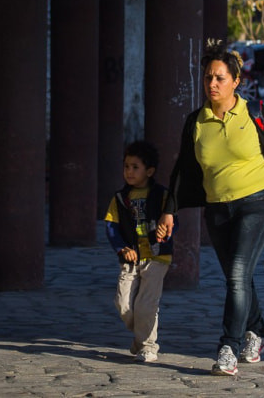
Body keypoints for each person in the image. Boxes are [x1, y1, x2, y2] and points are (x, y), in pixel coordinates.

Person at [156, 39, 264, 376]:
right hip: (218, 209)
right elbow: (183, 169)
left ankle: (229, 345)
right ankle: (259, 331)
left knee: (238, 274)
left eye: (220, 78)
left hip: (257, 202)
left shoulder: (253, 113)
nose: (212, 84)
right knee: (236, 276)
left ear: (236, 81)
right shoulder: (196, 122)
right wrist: (170, 209)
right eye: (208, 78)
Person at [104, 140, 175, 363]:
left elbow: (172, 222)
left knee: (146, 305)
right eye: (126, 166)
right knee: (122, 303)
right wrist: (121, 248)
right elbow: (111, 227)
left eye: (135, 167)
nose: (129, 171)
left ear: (149, 171)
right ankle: (141, 336)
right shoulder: (119, 198)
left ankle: (148, 346)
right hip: (130, 258)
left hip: (157, 257)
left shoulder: (162, 196)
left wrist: (165, 232)